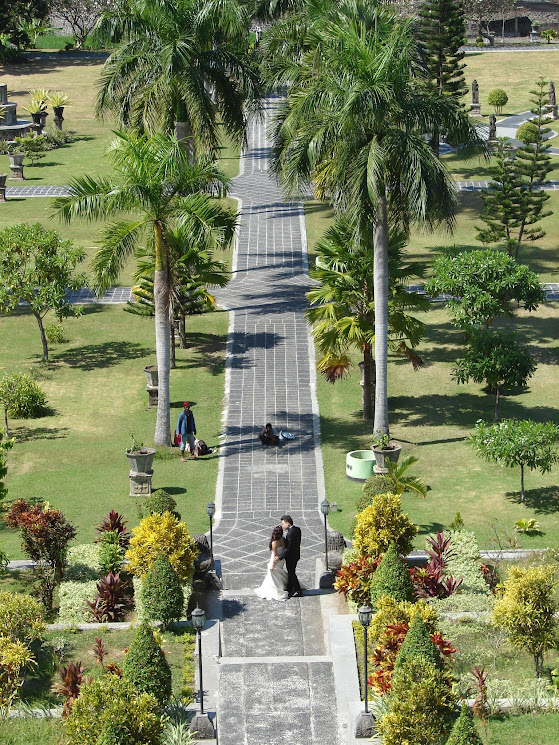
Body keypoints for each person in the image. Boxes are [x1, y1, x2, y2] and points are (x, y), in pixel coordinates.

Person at [254, 526, 289, 601]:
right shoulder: (283, 539)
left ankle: (277, 588)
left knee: (273, 574)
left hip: (275, 560)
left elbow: (274, 555)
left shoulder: (274, 542)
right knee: (278, 574)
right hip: (281, 560)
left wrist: (272, 564)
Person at [274, 515, 302, 597]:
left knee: (291, 572)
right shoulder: (297, 529)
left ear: (288, 523)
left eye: (283, 524)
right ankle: (291, 588)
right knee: (291, 572)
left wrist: (279, 557)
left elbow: (288, 548)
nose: (282, 526)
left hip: (291, 556)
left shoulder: (290, 533)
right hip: (296, 554)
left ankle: (297, 590)